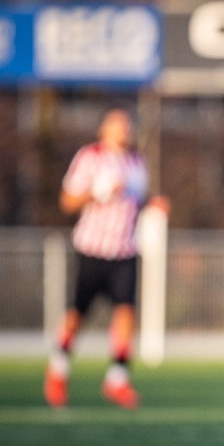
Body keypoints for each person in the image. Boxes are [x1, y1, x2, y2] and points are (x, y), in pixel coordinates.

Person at [43, 107, 170, 410]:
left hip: (125, 250)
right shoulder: (90, 157)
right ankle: (58, 370)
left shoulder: (138, 162)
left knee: (126, 315)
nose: (124, 131)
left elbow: (137, 201)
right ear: (104, 130)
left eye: (127, 126)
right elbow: (67, 202)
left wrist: (155, 204)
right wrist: (98, 192)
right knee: (76, 316)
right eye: (118, 126)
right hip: (92, 249)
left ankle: (117, 379)